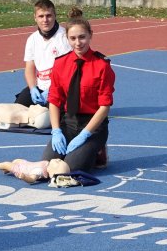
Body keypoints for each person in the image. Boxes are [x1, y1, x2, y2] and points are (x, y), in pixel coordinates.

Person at [42, 9, 114, 173]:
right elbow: (54, 100)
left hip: (92, 126)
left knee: (68, 169)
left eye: (82, 37)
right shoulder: (60, 64)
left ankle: (98, 150)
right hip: (68, 124)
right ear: (66, 38)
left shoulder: (102, 66)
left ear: (90, 35)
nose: (78, 43)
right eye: (72, 38)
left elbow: (104, 107)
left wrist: (85, 134)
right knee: (46, 166)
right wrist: (55, 130)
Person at [15, 0, 71, 108]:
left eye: (48, 15)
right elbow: (29, 68)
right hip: (40, 88)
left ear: (55, 16)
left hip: (61, 88)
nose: (45, 20)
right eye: (41, 16)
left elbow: (68, 71)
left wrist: (51, 91)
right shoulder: (32, 39)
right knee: (18, 108)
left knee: (46, 117)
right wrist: (32, 88)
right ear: (35, 18)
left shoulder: (65, 37)